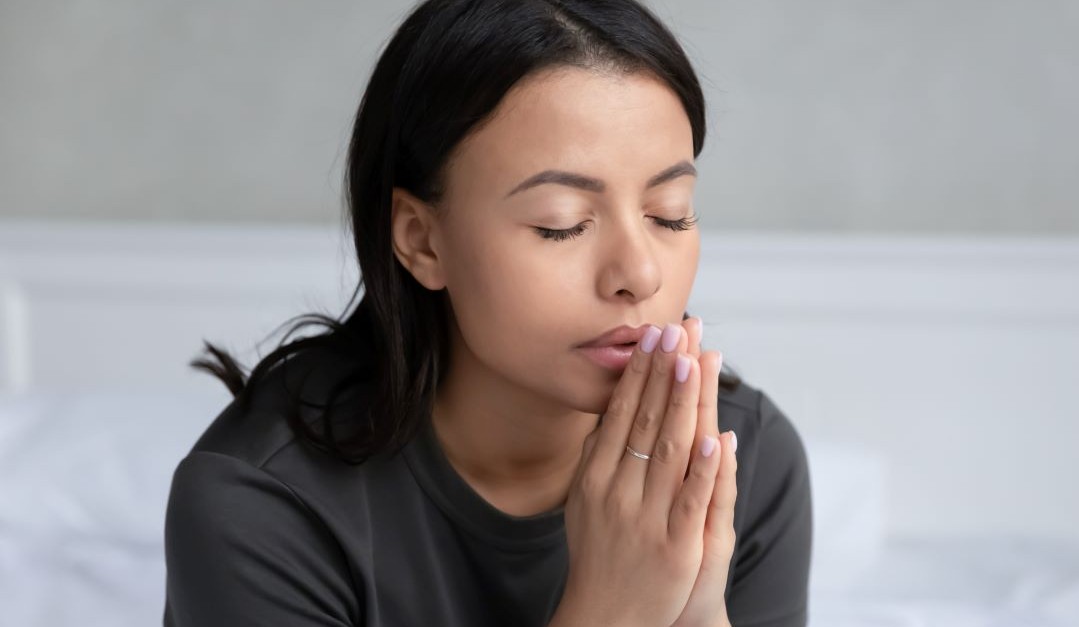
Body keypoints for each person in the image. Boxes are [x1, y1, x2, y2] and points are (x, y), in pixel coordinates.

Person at [163, 0, 812, 625]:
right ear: (422, 239)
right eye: (562, 225)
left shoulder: (741, 457)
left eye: (670, 212)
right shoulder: (262, 503)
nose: (640, 274)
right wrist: (616, 608)